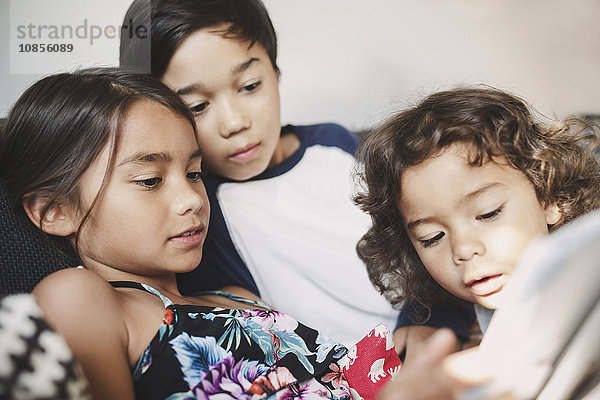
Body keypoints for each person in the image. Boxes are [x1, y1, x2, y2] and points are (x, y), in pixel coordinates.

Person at [0, 68, 380, 400]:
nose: (191, 200)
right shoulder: (81, 298)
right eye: (150, 181)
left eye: (194, 173)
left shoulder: (238, 298)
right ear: (54, 211)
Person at [119, 0, 474, 349]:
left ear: (274, 72)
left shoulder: (333, 145)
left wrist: (436, 319)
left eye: (249, 86)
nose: (234, 122)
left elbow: (427, 233)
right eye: (197, 106)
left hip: (446, 328)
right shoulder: (198, 213)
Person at [354, 86, 600, 336]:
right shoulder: (496, 301)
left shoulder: (585, 287)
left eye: (488, 213)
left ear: (549, 198)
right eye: (432, 238)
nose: (462, 249)